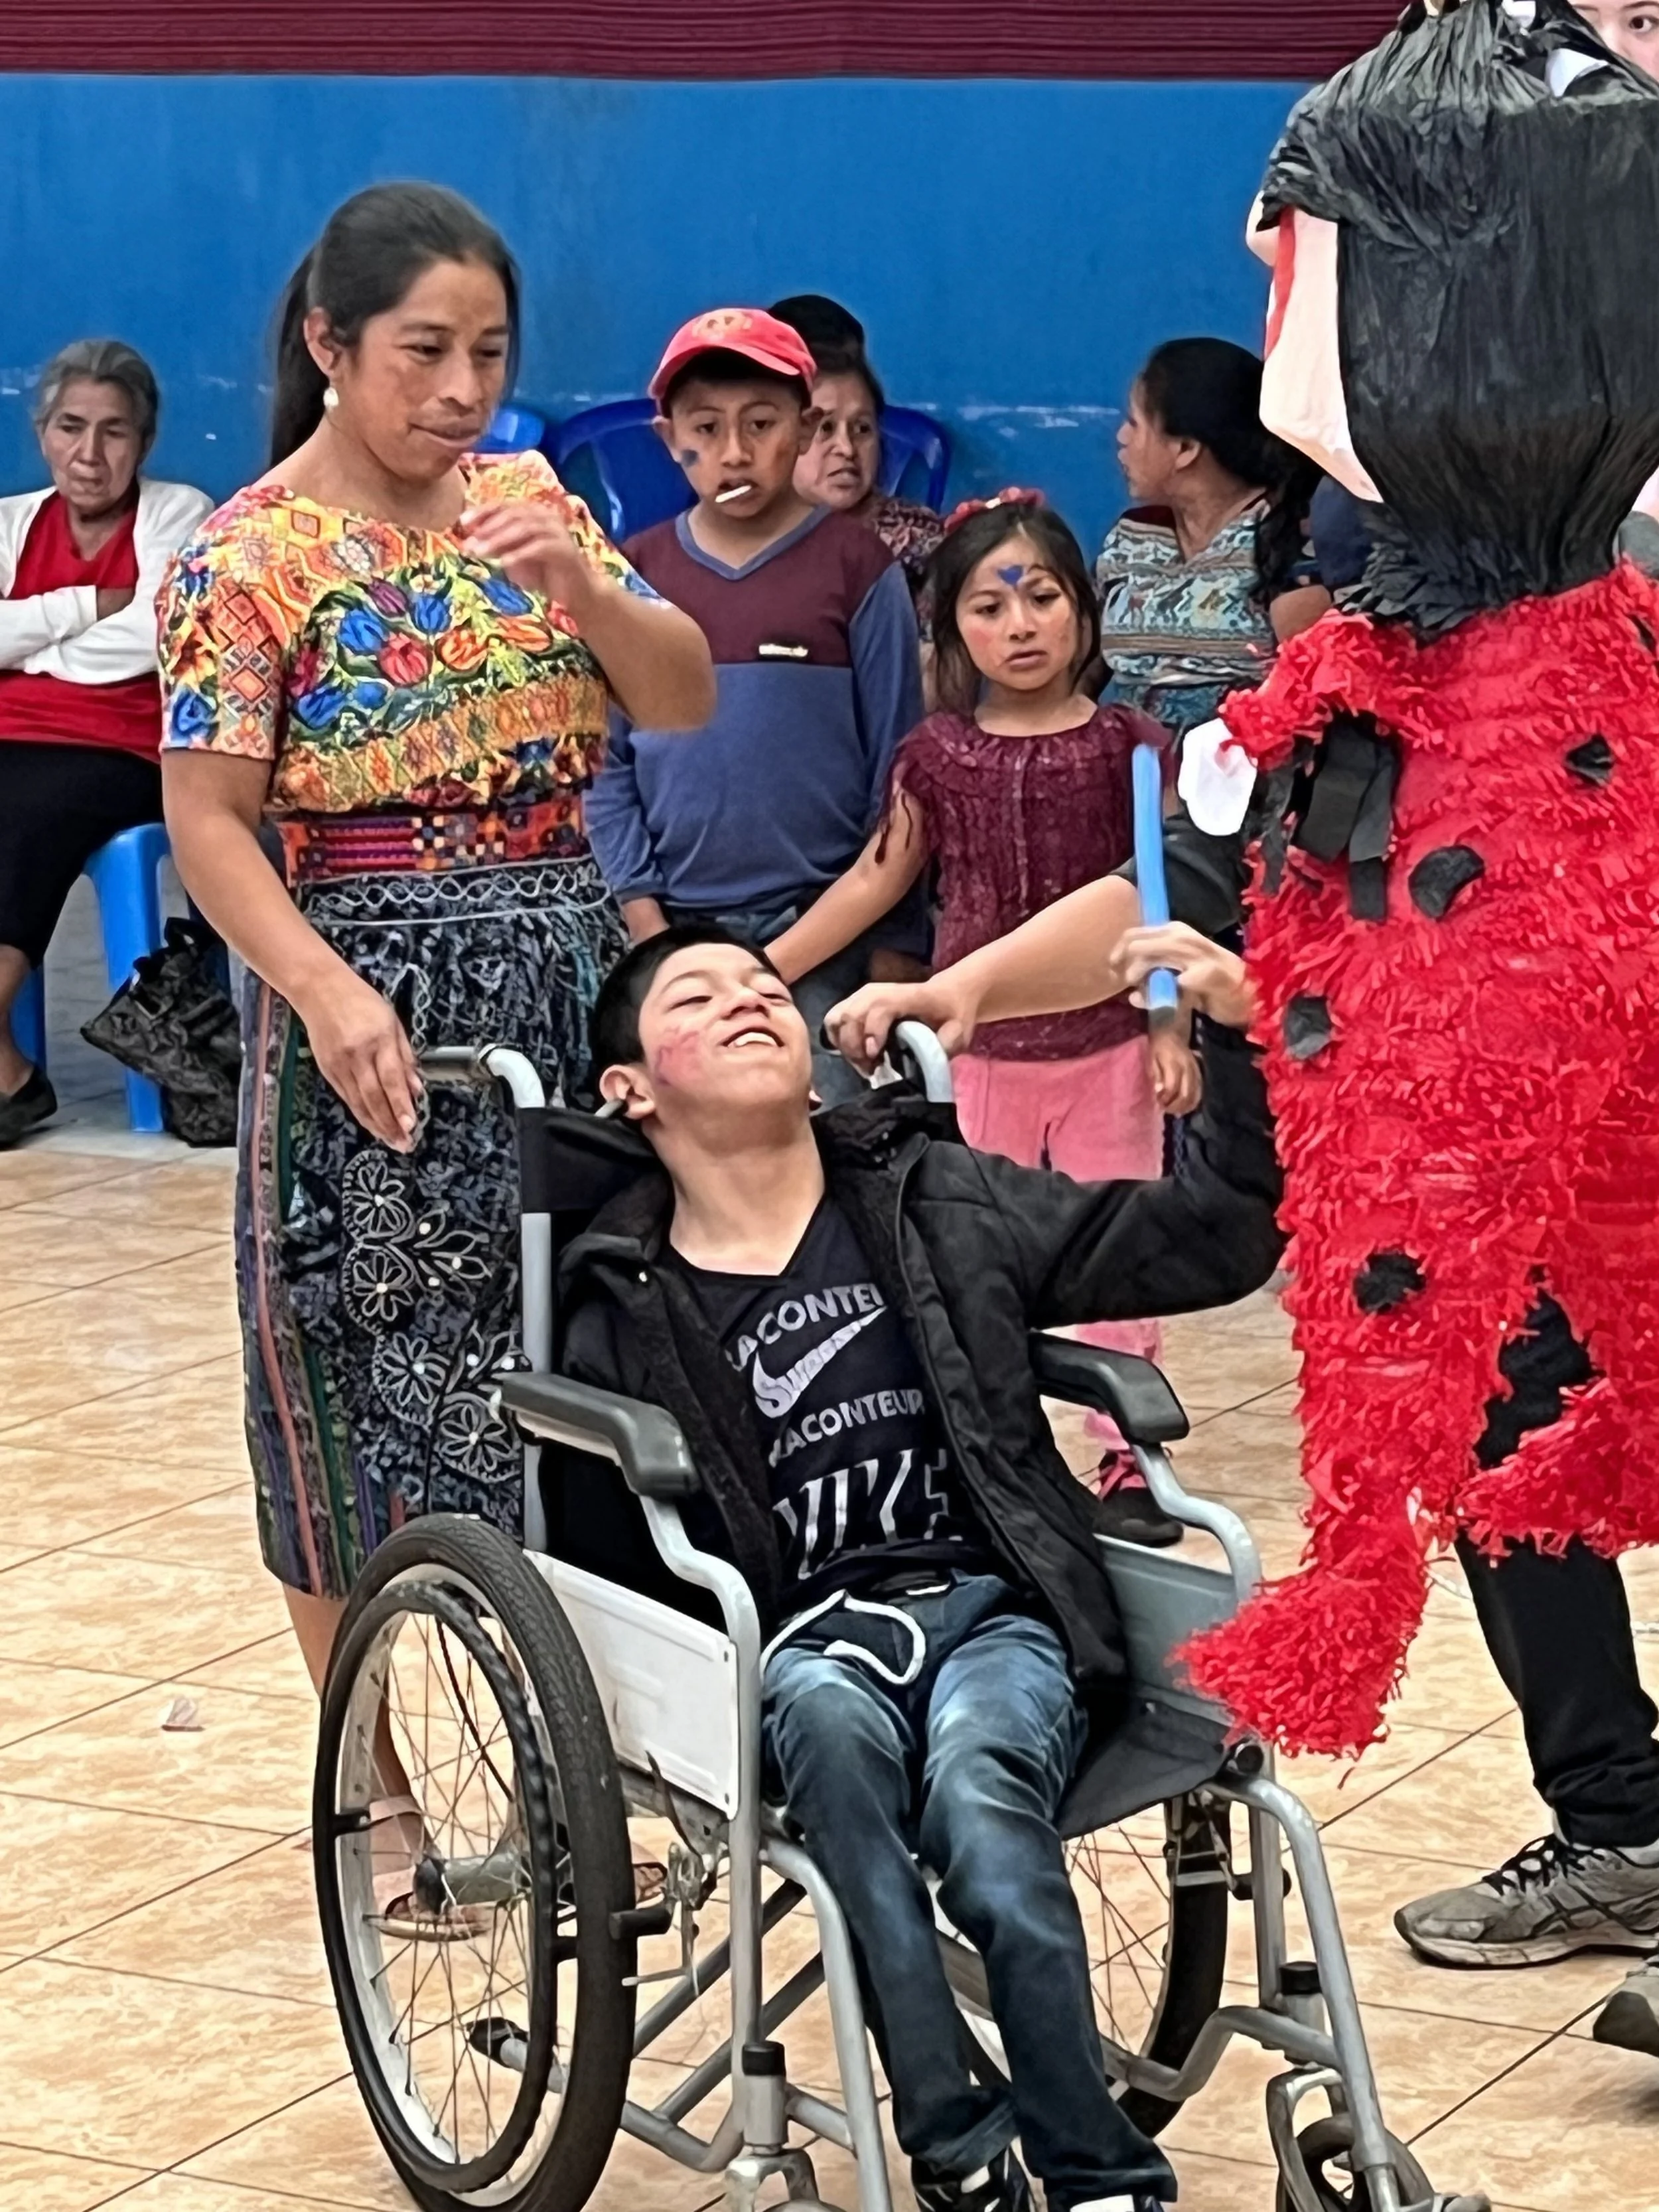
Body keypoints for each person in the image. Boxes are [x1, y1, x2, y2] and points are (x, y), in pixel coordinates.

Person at [557, 919, 1282, 2212]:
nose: (747, 999)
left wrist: (1227, 1037)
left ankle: (1097, 2172)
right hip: (798, 1641)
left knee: (987, 1811)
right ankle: (951, 2140)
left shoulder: (935, 1196)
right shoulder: (620, 1298)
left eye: (765, 985)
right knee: (832, 1729)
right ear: (627, 1088)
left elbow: (1212, 1238)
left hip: (988, 1608)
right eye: (698, 992)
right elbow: (599, 1558)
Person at [157, 182, 713, 1698]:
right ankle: (376, 1776)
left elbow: (678, 699)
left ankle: (590, 1743)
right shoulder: (248, 555)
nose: (463, 390)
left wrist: (586, 585)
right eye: (423, 352)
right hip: (372, 1004)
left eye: (488, 351)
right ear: (331, 344)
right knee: (353, 1384)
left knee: (588, 1352)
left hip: (565, 973)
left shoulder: (539, 505)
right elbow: (209, 821)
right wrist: (326, 996)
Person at [766, 491, 1189, 1544]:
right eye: (990, 609)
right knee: (972, 1256)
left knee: (1116, 1251)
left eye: (1042, 598)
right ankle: (986, 1443)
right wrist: (761, 970)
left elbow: (1174, 898)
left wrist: (1172, 1028)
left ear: (1084, 611)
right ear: (952, 630)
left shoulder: (1137, 747)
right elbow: (875, 882)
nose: (1021, 626)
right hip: (974, 1056)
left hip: (1112, 1051)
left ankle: (1127, 1459)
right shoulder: (937, 758)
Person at [585, 307, 923, 1104]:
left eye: (763, 424)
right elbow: (605, 773)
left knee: (828, 1154)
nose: (734, 452)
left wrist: (779, 968)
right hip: (670, 939)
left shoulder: (860, 570)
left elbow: (902, 791)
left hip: (821, 938)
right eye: (706, 428)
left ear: (805, 429)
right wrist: (656, 943)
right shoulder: (633, 576)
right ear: (669, 438)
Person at [0, 340, 212, 1146]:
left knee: (34, 806)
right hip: (12, 736)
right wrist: (84, 607)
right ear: (42, 432)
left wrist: (24, 645)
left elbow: (155, 639)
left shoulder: (177, 512)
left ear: (144, 442)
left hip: (120, 749)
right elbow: (115, 628)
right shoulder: (11, 524)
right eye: (69, 427)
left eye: (113, 432)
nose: (89, 455)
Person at [1096, 337, 1318, 741]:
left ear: (1184, 449)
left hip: (1252, 786)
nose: (1122, 439)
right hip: (1137, 786)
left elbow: (1318, 693)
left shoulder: (1291, 542)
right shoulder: (1131, 538)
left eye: (1135, 423)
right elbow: (1079, 674)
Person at [772, 293, 946, 605]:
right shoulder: (734, 533)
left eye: (862, 428)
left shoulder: (915, 541)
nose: (847, 449)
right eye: (824, 428)